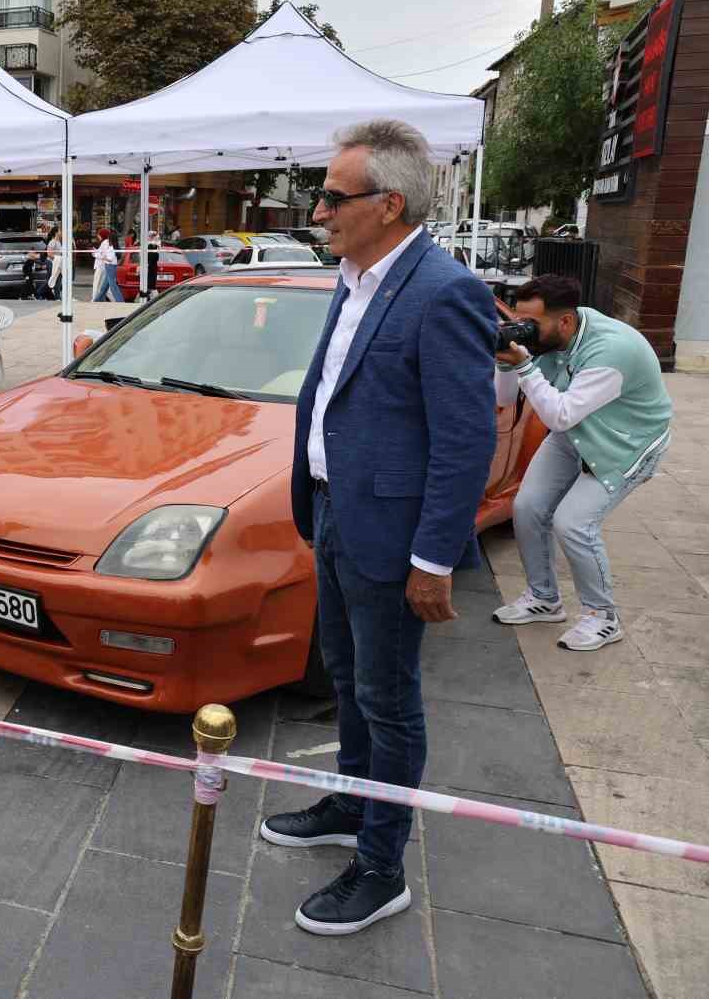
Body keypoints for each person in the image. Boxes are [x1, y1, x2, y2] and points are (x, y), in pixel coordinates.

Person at [261, 119, 497, 936]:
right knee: (346, 674)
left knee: (388, 697)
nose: (318, 211)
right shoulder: (355, 278)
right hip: (334, 511)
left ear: (388, 204)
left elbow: (465, 439)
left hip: (393, 536)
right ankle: (352, 802)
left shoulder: (444, 291)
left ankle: (381, 864)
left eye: (333, 196)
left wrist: (433, 558)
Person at [490, 273, 672, 650]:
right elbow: (504, 399)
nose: (524, 330)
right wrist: (505, 362)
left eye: (531, 323)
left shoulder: (611, 349)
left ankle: (602, 618)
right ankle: (544, 599)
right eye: (518, 321)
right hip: (578, 430)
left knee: (573, 523)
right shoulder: (552, 335)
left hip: (626, 443)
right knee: (527, 507)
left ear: (565, 321)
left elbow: (559, 416)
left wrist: (524, 367)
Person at [90, 228, 121, 302]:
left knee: (98, 284)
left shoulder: (105, 242)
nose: (98, 236)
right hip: (105, 266)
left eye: (99, 234)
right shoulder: (107, 242)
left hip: (102, 266)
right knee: (105, 286)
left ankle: (95, 299)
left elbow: (103, 254)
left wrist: (94, 254)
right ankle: (98, 299)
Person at [44, 225, 64, 301]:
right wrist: (57, 258)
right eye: (60, 231)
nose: (61, 232)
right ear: (56, 232)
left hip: (58, 263)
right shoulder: (52, 242)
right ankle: (39, 293)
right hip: (52, 263)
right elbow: (49, 254)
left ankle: (57, 296)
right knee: (52, 280)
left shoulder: (58, 242)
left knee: (58, 279)